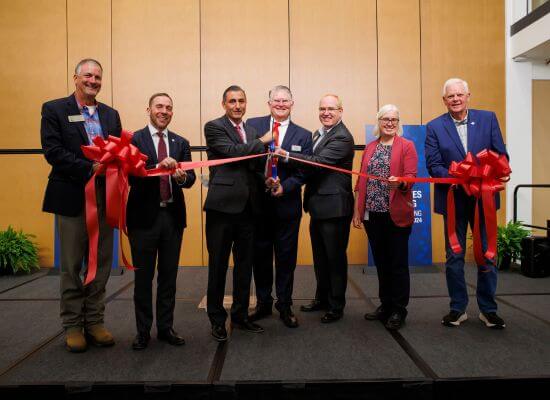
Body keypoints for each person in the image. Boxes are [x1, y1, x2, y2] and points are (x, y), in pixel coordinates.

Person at [41, 59, 122, 352]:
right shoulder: (54, 109)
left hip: (104, 197)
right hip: (72, 197)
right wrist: (90, 169)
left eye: (98, 77)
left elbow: (120, 151)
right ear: (75, 77)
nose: (93, 80)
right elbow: (52, 151)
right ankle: (73, 325)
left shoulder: (111, 114)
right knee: (73, 264)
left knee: (100, 263)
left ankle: (95, 321)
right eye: (88, 75)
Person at [425, 78, 508, 329]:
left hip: (484, 200)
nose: (456, 99)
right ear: (444, 100)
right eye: (450, 96)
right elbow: (433, 164)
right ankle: (457, 308)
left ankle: (488, 309)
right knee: (454, 256)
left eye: (460, 94)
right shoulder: (434, 126)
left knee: (487, 254)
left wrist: (489, 174)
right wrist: (459, 178)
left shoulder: (488, 118)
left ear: (468, 95)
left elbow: (501, 154)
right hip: (453, 200)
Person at [275, 94, 354, 323]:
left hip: (335, 208)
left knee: (335, 258)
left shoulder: (343, 137)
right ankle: (322, 298)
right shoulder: (319, 133)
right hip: (318, 206)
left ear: (341, 111)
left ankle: (336, 305)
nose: (326, 112)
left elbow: (317, 163)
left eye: (331, 108)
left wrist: (287, 155)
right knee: (321, 258)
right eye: (322, 108)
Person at [126, 93, 196, 350]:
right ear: (149, 110)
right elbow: (131, 177)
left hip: (172, 218)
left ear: (172, 112)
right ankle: (143, 331)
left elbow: (190, 181)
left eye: (168, 107)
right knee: (143, 279)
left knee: (169, 277)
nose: (164, 111)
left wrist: (179, 177)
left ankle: (166, 328)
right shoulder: (134, 139)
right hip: (143, 219)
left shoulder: (181, 142)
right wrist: (158, 166)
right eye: (159, 106)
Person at [204, 85, 273, 341]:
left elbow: (254, 166)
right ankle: (217, 320)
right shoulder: (214, 127)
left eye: (241, 101)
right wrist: (261, 143)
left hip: (249, 208)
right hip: (222, 208)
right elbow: (232, 153)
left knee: (245, 266)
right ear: (224, 104)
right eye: (232, 101)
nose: (237, 105)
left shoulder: (252, 131)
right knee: (218, 266)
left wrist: (266, 180)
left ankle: (241, 315)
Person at [246, 85, 313, 328]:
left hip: (287, 206)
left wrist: (286, 186)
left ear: (292, 104)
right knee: (260, 256)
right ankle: (263, 303)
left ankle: (284, 305)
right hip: (258, 205)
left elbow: (305, 171)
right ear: (269, 103)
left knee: (286, 258)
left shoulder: (304, 135)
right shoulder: (252, 126)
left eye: (285, 101)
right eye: (277, 100)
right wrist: (261, 180)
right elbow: (246, 161)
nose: (281, 104)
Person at [352, 104, 418, 330]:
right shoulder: (370, 147)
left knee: (397, 263)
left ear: (398, 123)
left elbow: (411, 177)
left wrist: (400, 182)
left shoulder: (407, 146)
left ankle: (399, 309)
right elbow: (360, 181)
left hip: (396, 214)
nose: (390, 123)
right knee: (381, 262)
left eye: (394, 119)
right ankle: (386, 304)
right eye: (385, 119)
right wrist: (357, 211)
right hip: (373, 214)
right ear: (378, 121)